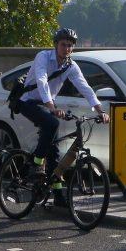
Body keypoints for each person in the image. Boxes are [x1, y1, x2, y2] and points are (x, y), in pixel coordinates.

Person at [16, 27, 109, 207]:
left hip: (46, 104)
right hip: (27, 101)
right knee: (51, 123)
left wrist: (100, 111)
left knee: (54, 152)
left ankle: (58, 196)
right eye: (64, 44)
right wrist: (51, 106)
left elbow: (85, 88)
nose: (67, 49)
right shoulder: (43, 57)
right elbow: (42, 80)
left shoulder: (70, 66)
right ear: (56, 45)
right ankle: (35, 163)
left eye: (70, 46)